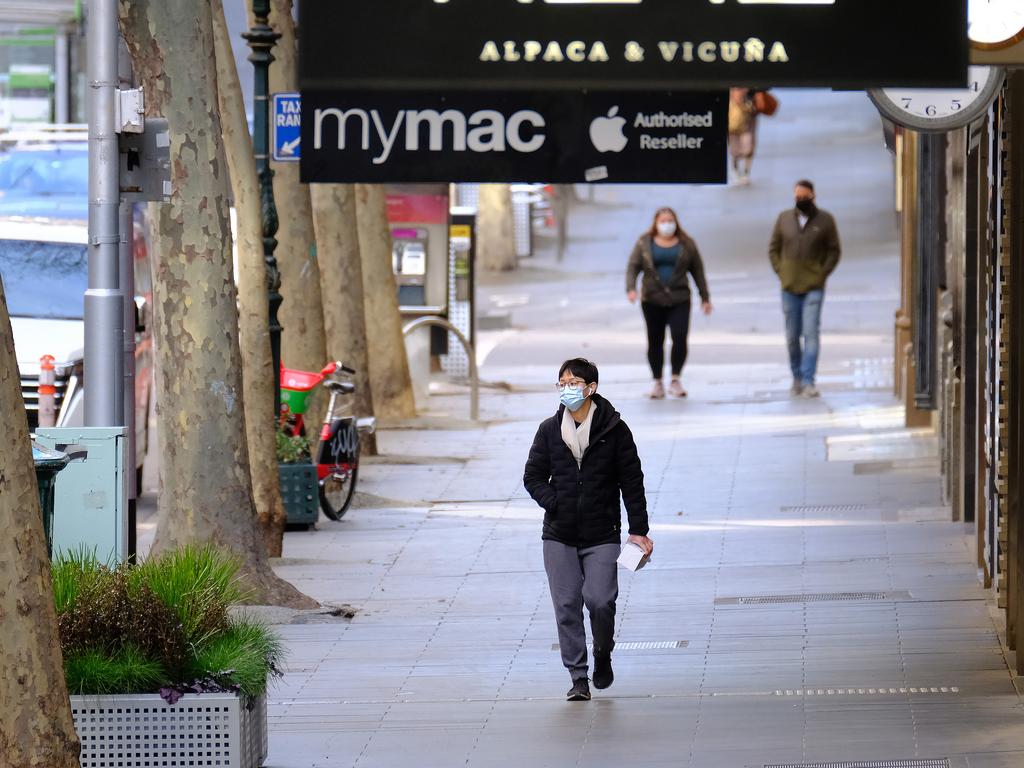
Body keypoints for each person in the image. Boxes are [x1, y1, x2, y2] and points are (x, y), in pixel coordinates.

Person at [523, 358, 653, 702]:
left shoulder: (615, 430)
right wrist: (554, 502)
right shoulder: (549, 430)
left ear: (591, 388)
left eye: (574, 382)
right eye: (562, 382)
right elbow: (532, 476)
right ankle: (578, 677)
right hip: (559, 533)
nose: (567, 387)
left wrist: (638, 529)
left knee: (600, 600)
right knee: (566, 605)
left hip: (602, 532)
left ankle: (602, 653)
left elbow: (632, 481)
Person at [626, 207, 713, 399]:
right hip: (652, 299)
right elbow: (633, 266)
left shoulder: (686, 244)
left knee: (679, 336)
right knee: (655, 340)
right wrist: (631, 288)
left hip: (679, 298)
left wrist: (705, 297)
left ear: (676, 222)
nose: (667, 224)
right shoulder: (644, 242)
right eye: (663, 221)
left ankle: (675, 378)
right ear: (656, 223)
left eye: (670, 220)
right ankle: (657, 381)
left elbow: (698, 271)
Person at [768, 180, 842, 398]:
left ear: (813, 196)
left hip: (813, 286)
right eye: (797, 197)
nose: (801, 201)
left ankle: (809, 379)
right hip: (789, 285)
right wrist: (781, 270)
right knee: (792, 336)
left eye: (805, 197)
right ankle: (797, 376)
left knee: (810, 332)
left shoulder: (825, 221)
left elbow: (834, 250)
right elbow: (773, 248)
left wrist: (822, 273)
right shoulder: (784, 219)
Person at [728, 88, 757, 184]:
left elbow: (753, 109)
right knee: (735, 151)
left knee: (748, 149)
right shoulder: (730, 93)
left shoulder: (749, 95)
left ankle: (746, 172)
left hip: (747, 125)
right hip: (733, 126)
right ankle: (736, 171)